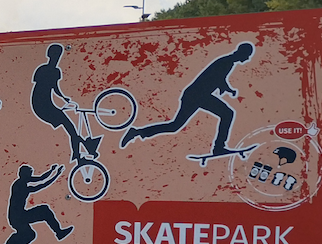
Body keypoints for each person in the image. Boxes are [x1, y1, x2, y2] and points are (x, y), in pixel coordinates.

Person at [120, 42, 255, 156]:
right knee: (226, 114)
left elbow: (216, 79)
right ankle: (218, 147)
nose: (248, 59)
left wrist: (226, 89)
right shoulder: (226, 62)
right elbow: (218, 79)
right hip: (197, 95)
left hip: (198, 95)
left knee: (175, 126)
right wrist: (226, 88)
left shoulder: (227, 62)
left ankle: (138, 132)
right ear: (241, 52)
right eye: (247, 56)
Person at [0, 164, 74, 244]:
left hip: (20, 215)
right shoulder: (19, 185)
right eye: (29, 174)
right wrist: (56, 174)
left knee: (31, 232)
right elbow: (41, 184)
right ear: (24, 175)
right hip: (16, 217)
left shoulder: (23, 182)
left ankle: (59, 232)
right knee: (35, 225)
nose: (31, 176)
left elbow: (41, 178)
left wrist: (52, 171)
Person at [31, 44, 92, 162]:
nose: (57, 57)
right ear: (49, 55)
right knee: (70, 127)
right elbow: (39, 89)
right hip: (41, 105)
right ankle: (79, 152)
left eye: (58, 55)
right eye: (55, 55)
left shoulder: (56, 71)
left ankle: (78, 152)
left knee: (71, 128)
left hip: (47, 104)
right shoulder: (42, 69)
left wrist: (64, 98)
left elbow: (55, 88)